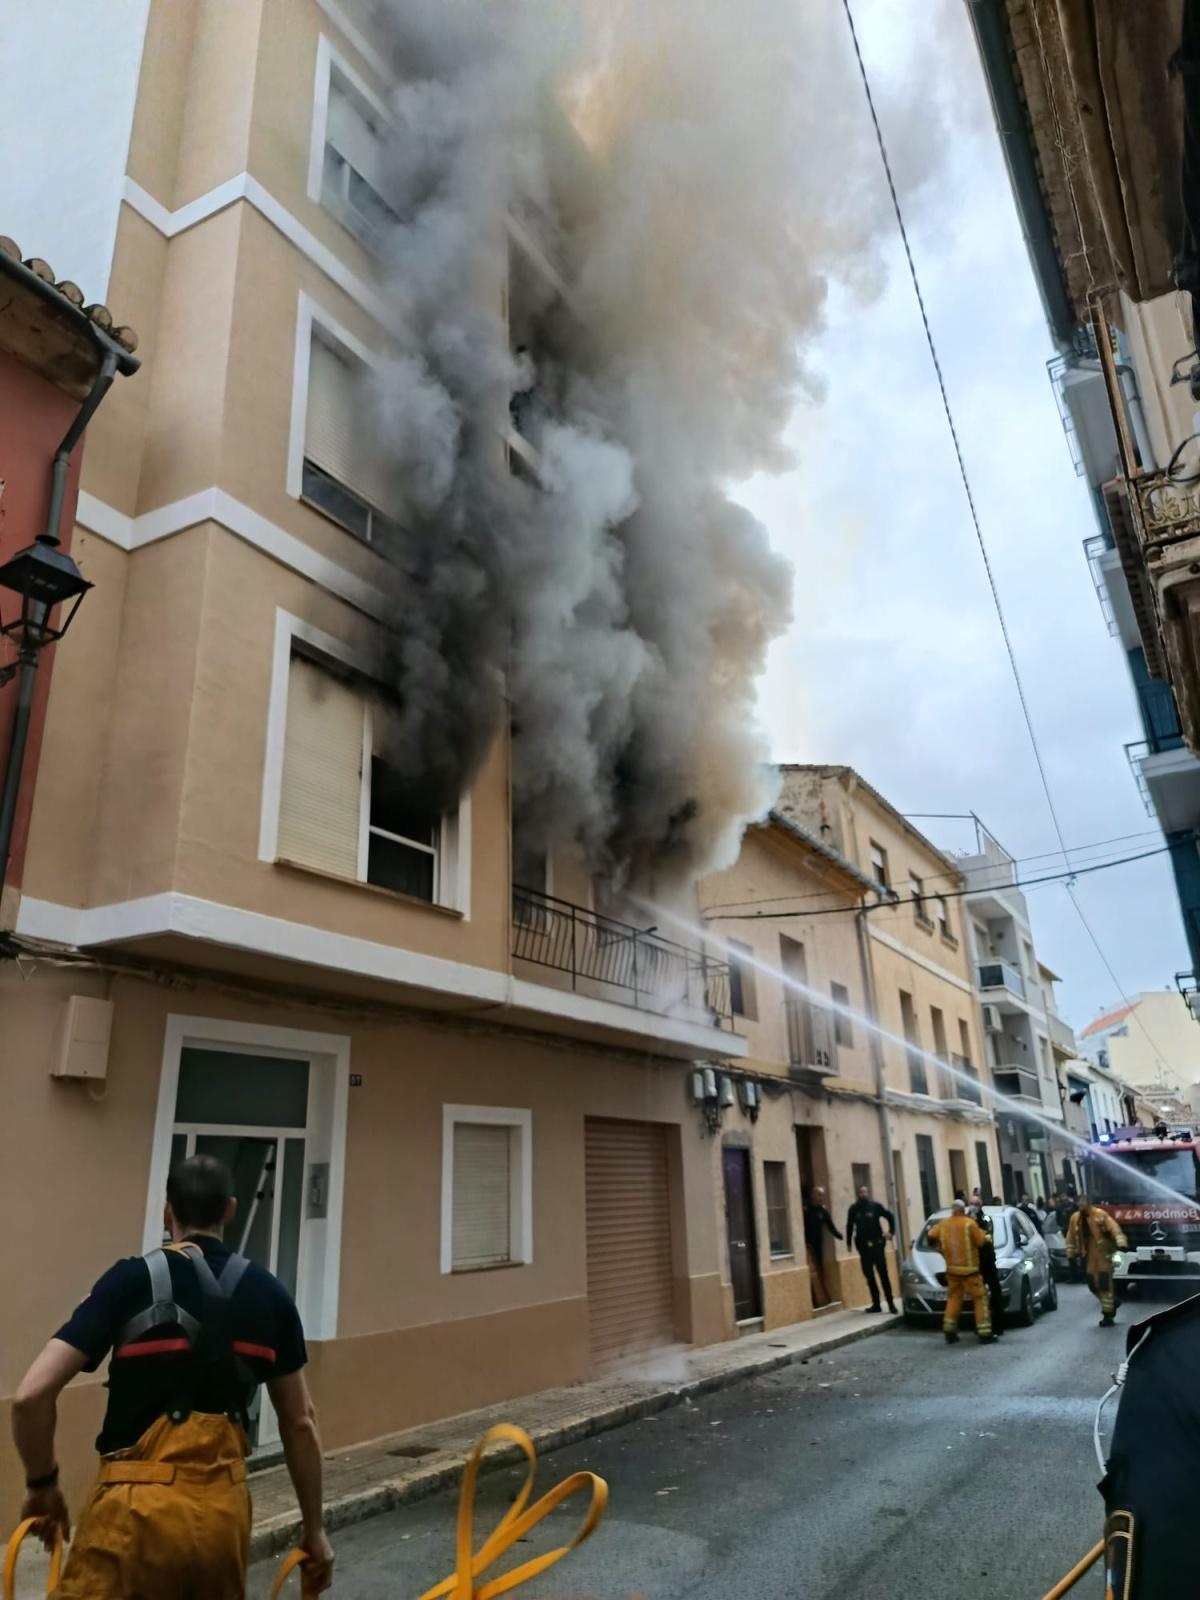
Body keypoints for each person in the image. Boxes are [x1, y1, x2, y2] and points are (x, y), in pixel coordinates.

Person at [11, 1155, 335, 1598]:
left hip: (133, 1516)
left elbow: (31, 1396)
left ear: (168, 1212)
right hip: (223, 1520)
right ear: (230, 1210)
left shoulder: (129, 1281)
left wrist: (42, 1486)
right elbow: (300, 1423)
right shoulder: (272, 1295)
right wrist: (314, 1531)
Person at [927, 1199, 993, 1344]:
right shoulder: (970, 1224)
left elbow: (931, 1235)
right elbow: (980, 1242)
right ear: (963, 1210)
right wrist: (986, 1236)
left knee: (954, 1299)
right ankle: (984, 1332)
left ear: (952, 1210)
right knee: (980, 1299)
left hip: (952, 1271)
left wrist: (939, 1248)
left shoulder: (943, 1224)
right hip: (970, 1272)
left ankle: (949, 1330)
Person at [1067, 1193, 1128, 1326]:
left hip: (1103, 1256)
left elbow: (1114, 1228)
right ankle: (1112, 1303)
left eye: (1083, 1201)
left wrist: (1121, 1243)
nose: (1080, 1204)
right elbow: (1071, 1237)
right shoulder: (1075, 1218)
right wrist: (1070, 1254)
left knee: (1104, 1284)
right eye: (1079, 1202)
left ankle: (1108, 1315)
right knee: (1092, 1285)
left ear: (1089, 1202)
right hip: (1088, 1257)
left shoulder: (1100, 1215)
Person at [846, 1183, 897, 1314]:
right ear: (858, 1194)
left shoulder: (875, 1207)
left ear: (868, 1193)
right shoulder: (853, 1209)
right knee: (870, 1277)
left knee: (883, 1275)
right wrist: (848, 1243)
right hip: (863, 1248)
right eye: (861, 1192)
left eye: (865, 1192)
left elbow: (890, 1216)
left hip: (877, 1245)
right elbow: (849, 1226)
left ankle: (891, 1304)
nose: (863, 1194)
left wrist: (891, 1232)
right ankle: (876, 1304)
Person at [967, 1200, 1005, 1338]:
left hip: (988, 1261)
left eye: (975, 1204)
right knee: (978, 1297)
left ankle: (998, 1325)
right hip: (976, 1264)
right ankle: (981, 1325)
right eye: (971, 1203)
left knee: (995, 1295)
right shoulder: (967, 1221)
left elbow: (987, 1236)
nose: (973, 1206)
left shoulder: (985, 1219)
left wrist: (976, 1224)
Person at [803, 1186, 843, 1308]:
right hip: (806, 1245)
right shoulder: (806, 1209)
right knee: (809, 1270)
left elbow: (830, 1225)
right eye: (819, 1195)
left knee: (818, 1269)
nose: (821, 1197)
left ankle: (819, 1298)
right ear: (813, 1195)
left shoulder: (823, 1211)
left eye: (822, 1195)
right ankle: (813, 1299)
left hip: (818, 1244)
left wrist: (839, 1235)